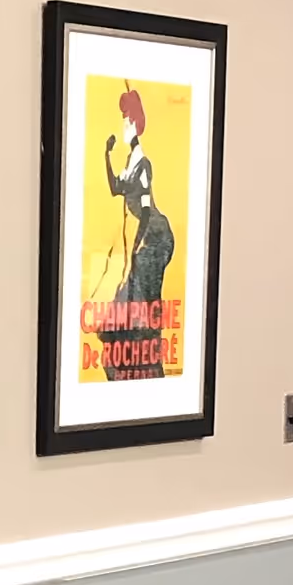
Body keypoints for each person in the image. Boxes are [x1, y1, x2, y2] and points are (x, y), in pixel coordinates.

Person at [100, 86, 175, 381]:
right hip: (143, 241)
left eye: (125, 118)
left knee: (143, 311)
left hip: (154, 236)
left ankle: (150, 375)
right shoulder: (129, 160)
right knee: (121, 316)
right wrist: (105, 154)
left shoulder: (142, 161)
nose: (122, 124)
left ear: (134, 121)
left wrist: (136, 247)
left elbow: (145, 207)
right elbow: (115, 188)